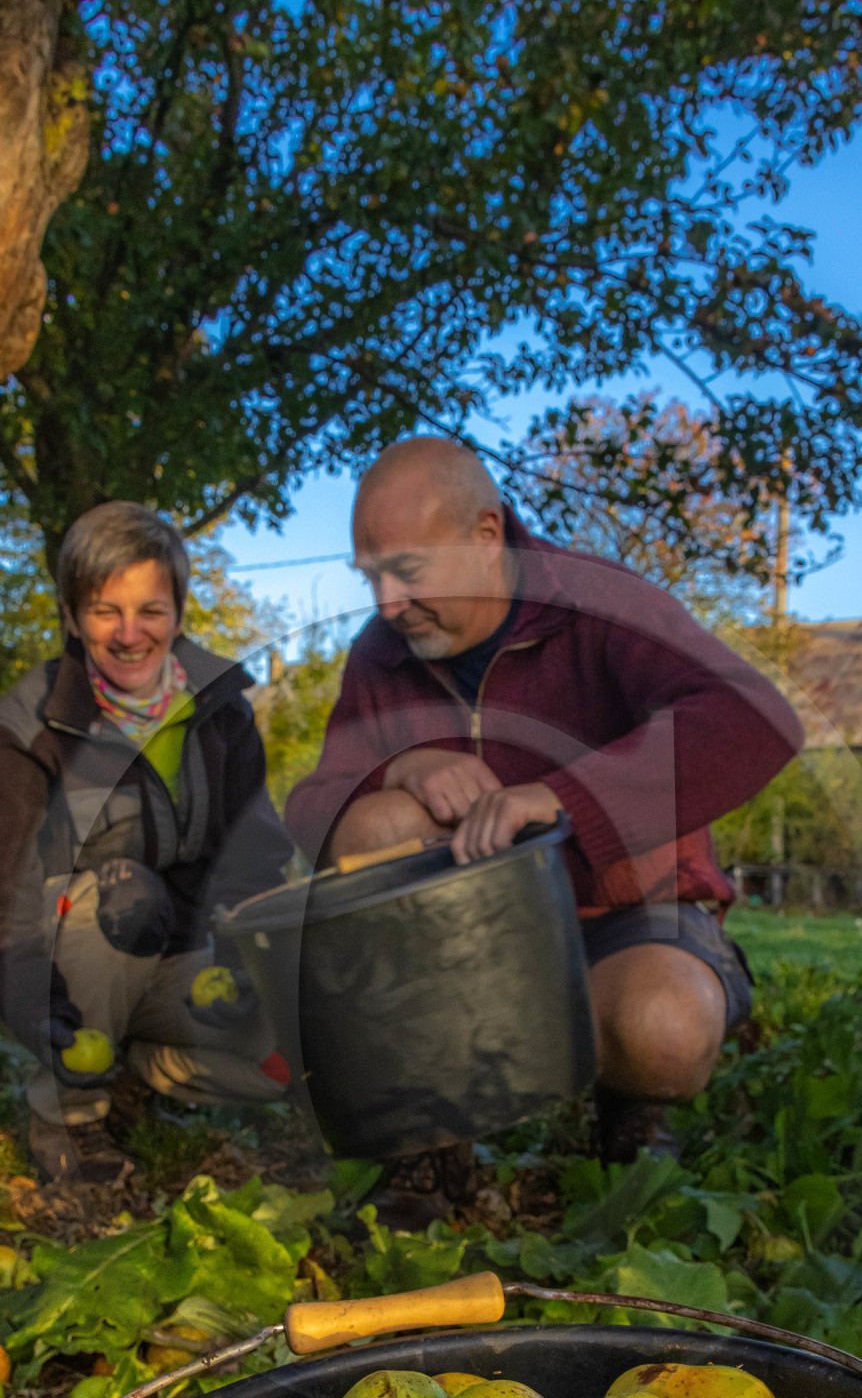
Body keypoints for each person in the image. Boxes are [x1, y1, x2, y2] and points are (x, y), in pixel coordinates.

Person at [285, 438, 804, 1183]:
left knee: (663, 1030)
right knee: (373, 822)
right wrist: (398, 767)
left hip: (627, 919)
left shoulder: (602, 602)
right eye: (370, 577)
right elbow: (308, 809)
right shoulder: (380, 651)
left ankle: (630, 1101)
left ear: (485, 536)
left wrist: (564, 795)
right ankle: (431, 1131)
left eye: (409, 571)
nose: (386, 604)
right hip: (469, 939)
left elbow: (755, 720)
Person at [0, 502, 294, 1186]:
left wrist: (243, 964)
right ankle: (68, 1114)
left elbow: (252, 861)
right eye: (106, 611)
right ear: (72, 617)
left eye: (151, 610)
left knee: (282, 1050)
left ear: (180, 613)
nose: (130, 634)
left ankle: (132, 1069)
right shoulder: (25, 726)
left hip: (177, 964)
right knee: (122, 899)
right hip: (42, 965)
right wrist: (33, 1001)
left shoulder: (223, 712)